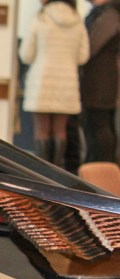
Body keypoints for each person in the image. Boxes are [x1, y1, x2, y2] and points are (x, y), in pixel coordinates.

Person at [20, 0, 91, 168]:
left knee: (41, 131)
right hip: (67, 82)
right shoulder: (77, 20)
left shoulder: (42, 17)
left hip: (42, 80)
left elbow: (26, 54)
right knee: (60, 131)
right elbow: (83, 56)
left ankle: (42, 172)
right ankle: (57, 171)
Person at [80, 0, 120, 163]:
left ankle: (100, 167)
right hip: (102, 78)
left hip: (100, 79)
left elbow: (91, 46)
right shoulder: (105, 13)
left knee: (98, 124)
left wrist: (80, 51)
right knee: (101, 124)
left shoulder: (108, 14)